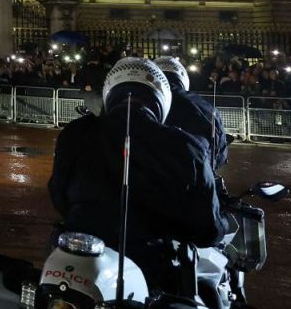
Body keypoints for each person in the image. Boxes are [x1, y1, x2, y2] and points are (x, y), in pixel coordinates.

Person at [48, 57, 232, 292]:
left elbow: (58, 194)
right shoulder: (186, 147)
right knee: (207, 297)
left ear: (109, 90)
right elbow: (207, 230)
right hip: (148, 267)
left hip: (74, 252)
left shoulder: (75, 132)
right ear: (162, 97)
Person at [155, 56, 255, 309]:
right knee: (224, 240)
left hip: (145, 191)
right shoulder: (203, 106)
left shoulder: (142, 106)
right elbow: (220, 153)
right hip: (194, 191)